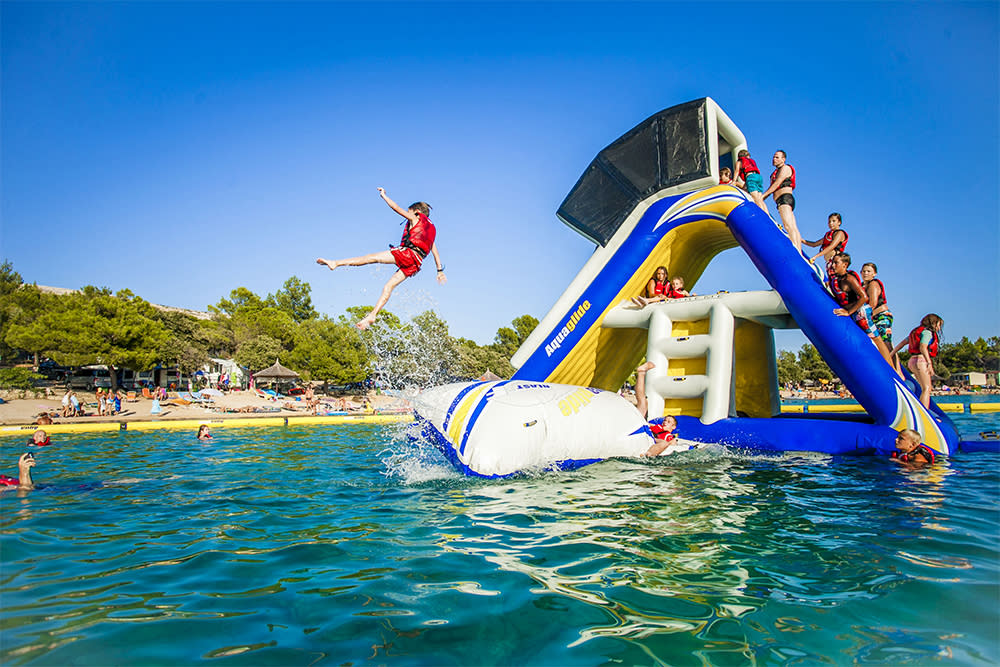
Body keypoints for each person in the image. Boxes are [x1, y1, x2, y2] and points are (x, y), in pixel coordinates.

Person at [317, 187, 447, 330]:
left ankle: (336, 263)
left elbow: (396, 208)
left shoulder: (415, 217)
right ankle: (372, 315)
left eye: (408, 213)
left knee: (371, 258)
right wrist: (439, 271)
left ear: (417, 212)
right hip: (416, 263)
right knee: (388, 287)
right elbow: (435, 252)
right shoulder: (429, 230)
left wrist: (384, 196)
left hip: (407, 254)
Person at [830, 253, 894, 365]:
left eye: (836, 263)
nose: (833, 265)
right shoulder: (835, 280)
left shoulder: (849, 279)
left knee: (878, 340)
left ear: (845, 265)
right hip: (853, 313)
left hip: (861, 313)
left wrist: (848, 312)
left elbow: (864, 297)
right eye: (833, 262)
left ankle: (892, 370)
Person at [892, 314, 944, 409]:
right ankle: (925, 414)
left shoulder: (916, 332)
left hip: (912, 361)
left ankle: (920, 409)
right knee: (927, 388)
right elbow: (923, 347)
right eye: (938, 325)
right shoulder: (927, 333)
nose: (939, 328)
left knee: (923, 388)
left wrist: (891, 354)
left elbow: (902, 344)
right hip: (921, 361)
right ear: (933, 323)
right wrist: (929, 363)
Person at [633, 362, 681, 457]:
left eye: (668, 421)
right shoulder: (658, 428)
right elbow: (649, 425)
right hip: (644, 432)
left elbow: (674, 445)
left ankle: (641, 373)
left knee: (643, 402)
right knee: (644, 401)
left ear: (673, 427)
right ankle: (641, 373)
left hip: (651, 438)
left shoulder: (669, 437)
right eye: (665, 420)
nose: (665, 422)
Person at [761, 150, 802, 253]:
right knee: (792, 225)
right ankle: (798, 250)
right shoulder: (773, 174)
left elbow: (777, 184)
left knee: (788, 225)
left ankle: (796, 250)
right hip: (781, 200)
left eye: (777, 157)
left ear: (783, 159)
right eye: (774, 157)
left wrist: (762, 196)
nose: (774, 159)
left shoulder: (785, 168)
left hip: (785, 198)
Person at [860, 262, 895, 367]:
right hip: (873, 317)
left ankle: (895, 370)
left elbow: (873, 304)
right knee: (879, 343)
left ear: (874, 274)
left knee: (886, 342)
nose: (866, 273)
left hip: (881, 316)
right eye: (864, 271)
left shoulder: (873, 284)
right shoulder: (862, 285)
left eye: (869, 271)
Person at [804, 212, 848, 279]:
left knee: (837, 281)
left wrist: (815, 257)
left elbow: (832, 246)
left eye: (833, 221)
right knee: (831, 281)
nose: (831, 223)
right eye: (829, 221)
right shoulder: (828, 235)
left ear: (839, 222)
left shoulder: (840, 233)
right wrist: (800, 239)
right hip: (828, 264)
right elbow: (814, 244)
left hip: (835, 262)